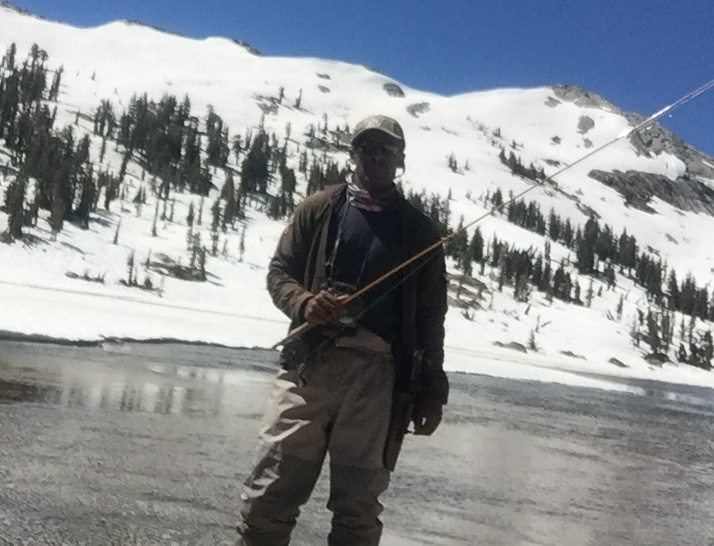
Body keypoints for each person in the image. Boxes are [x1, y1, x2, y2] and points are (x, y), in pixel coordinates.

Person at [236, 115, 449, 546]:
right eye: (366, 148)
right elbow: (280, 274)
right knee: (269, 498)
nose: (375, 157)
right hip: (307, 370)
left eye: (385, 150)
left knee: (357, 512)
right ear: (352, 156)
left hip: (378, 381)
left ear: (399, 161)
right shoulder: (318, 209)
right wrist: (305, 303)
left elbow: (431, 317)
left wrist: (432, 388)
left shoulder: (419, 230)